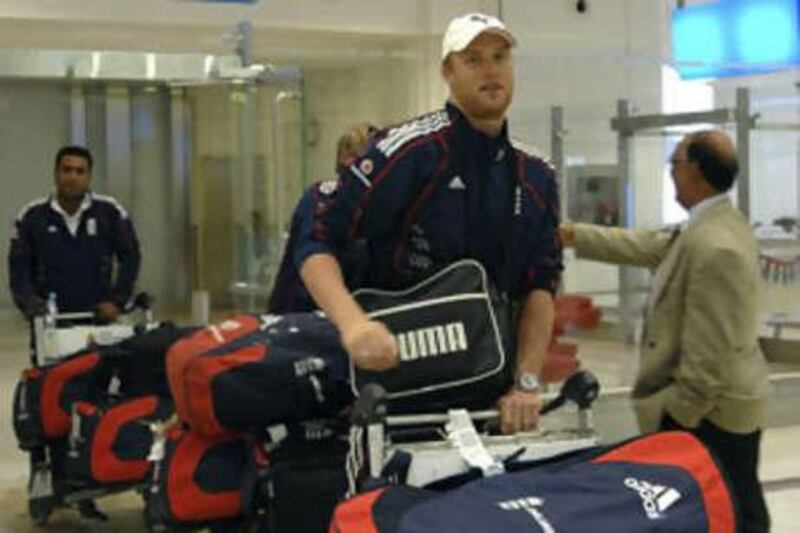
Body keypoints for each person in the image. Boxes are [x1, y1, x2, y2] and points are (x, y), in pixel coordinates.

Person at [297, 13, 562, 434]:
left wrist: (526, 383)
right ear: (447, 72)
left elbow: (541, 284)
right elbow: (316, 242)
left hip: (490, 399)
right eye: (473, 59)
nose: (490, 70)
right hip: (397, 392)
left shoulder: (535, 176)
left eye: (499, 57)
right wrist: (353, 325)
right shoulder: (408, 151)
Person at [560, 130, 769, 532]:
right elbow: (647, 245)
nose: (670, 172)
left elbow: (712, 351)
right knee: (737, 500)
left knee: (733, 508)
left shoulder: (715, 245)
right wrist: (573, 235)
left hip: (714, 414)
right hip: (722, 404)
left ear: (695, 172)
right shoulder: (714, 223)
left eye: (674, 164)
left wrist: (679, 415)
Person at [8, 145, 141, 324]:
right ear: (56, 174)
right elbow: (19, 267)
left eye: (80, 171)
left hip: (99, 318)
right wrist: (30, 303)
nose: (73, 177)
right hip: (48, 320)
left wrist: (117, 301)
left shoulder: (109, 212)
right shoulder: (32, 216)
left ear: (89, 177)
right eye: (67, 170)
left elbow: (131, 256)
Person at [267, 122, 379, 314]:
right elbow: (314, 251)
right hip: (298, 319)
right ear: (345, 159)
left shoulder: (380, 210)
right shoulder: (323, 198)